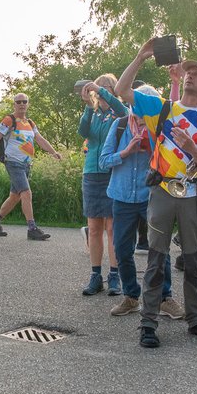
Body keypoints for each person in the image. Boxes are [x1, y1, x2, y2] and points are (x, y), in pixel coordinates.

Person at [116, 42, 197, 349]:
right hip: (162, 191)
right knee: (156, 259)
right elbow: (123, 91)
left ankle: (196, 319)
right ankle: (148, 323)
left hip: (192, 194)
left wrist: (192, 149)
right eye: (188, 71)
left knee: (194, 260)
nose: (190, 76)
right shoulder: (162, 107)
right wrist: (139, 56)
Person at [98, 89, 184, 320]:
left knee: (160, 249)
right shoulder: (119, 126)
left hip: (151, 195)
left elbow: (173, 160)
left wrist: (154, 147)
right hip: (122, 196)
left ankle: (165, 298)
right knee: (123, 249)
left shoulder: (160, 128)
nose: (139, 114)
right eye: (137, 108)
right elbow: (103, 160)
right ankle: (131, 296)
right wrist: (126, 152)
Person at [0, 93, 63, 240]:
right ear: (14, 104)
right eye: (18, 102)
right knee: (26, 193)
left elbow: (39, 139)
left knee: (15, 197)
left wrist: (53, 152)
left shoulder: (30, 122)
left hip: (26, 164)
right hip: (13, 163)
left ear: (28, 104)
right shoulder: (9, 120)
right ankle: (32, 229)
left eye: (24, 101)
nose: (22, 104)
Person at [80, 75, 127, 295]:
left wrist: (103, 89)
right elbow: (83, 132)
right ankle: (95, 275)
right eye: (98, 89)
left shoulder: (118, 113)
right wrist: (89, 107)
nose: (100, 92)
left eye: (105, 87)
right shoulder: (95, 114)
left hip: (111, 172)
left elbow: (122, 110)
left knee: (112, 227)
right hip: (91, 173)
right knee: (94, 228)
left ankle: (115, 276)